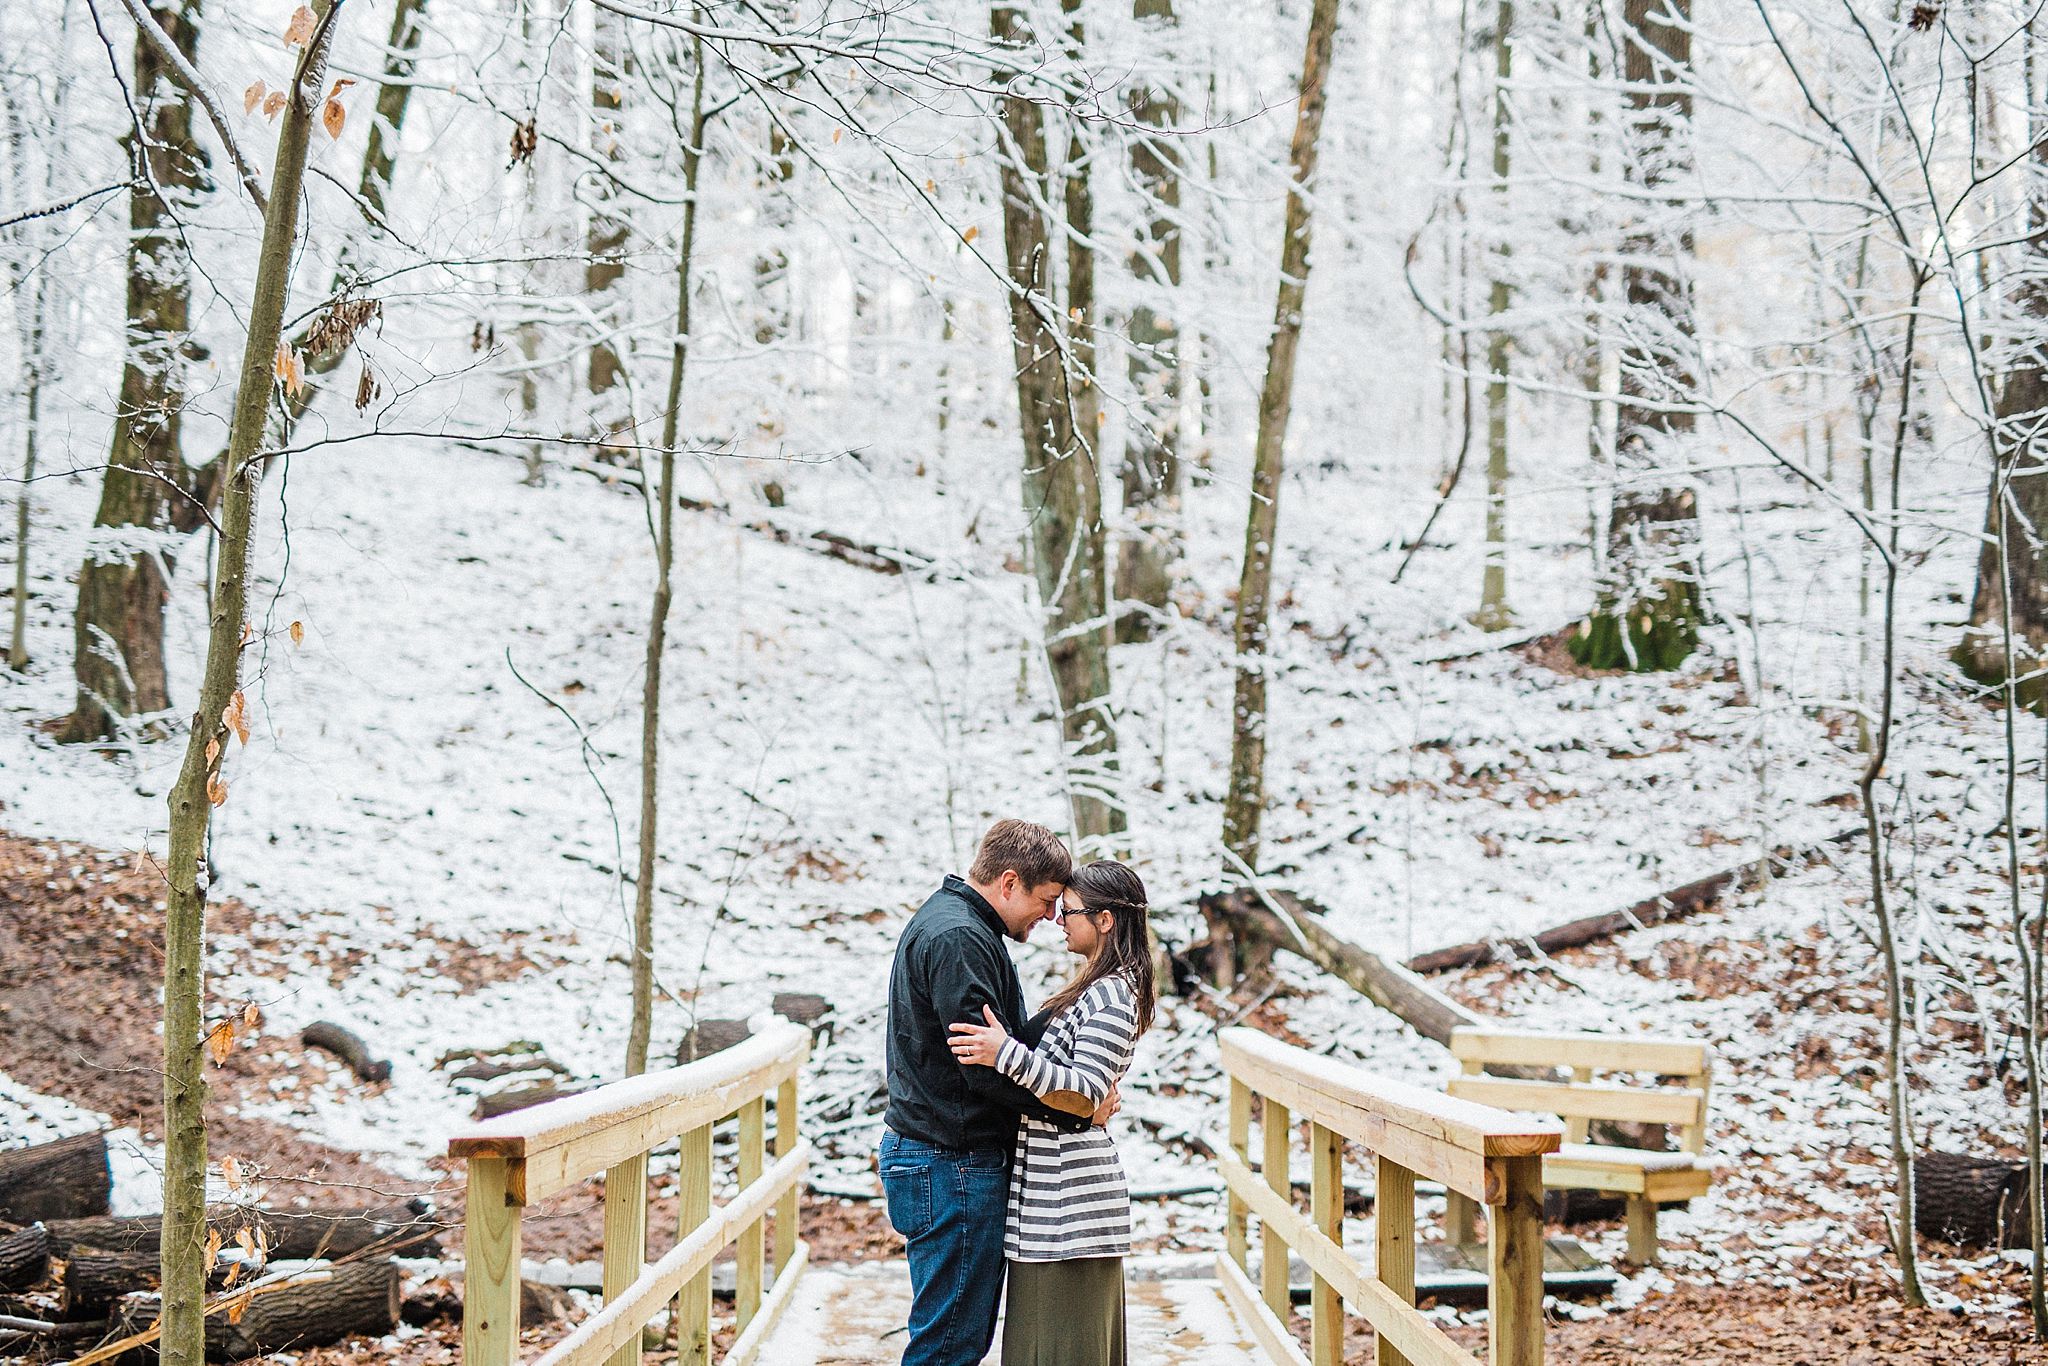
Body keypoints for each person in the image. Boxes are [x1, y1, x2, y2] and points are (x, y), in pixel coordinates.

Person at [880, 820, 1114, 1366]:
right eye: (1048, 899)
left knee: (955, 1336)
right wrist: (1080, 1109)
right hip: (951, 1163)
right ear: (1009, 882)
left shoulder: (958, 926)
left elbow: (1003, 1043)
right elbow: (983, 1069)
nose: (1053, 915)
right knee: (950, 1346)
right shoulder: (960, 938)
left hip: (942, 1158)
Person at [948, 860, 1155, 1366]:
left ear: (1105, 920)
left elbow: (1085, 1091)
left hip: (1070, 1211)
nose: (1059, 921)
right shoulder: (1096, 987)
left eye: (1070, 912)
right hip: (1049, 1208)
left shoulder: (1113, 994)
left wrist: (1004, 1054)